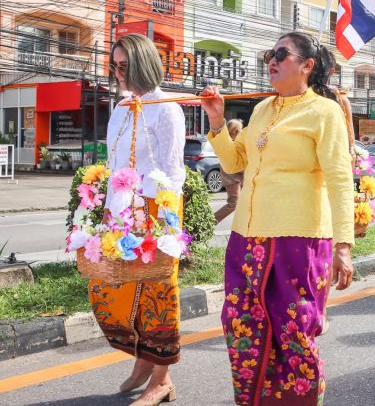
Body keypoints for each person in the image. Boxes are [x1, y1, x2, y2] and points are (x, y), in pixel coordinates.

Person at [200, 32, 355, 405]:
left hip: (298, 239)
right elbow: (236, 162)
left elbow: (339, 178)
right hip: (247, 238)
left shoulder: (324, 111)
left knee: (294, 332)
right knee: (243, 329)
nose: (272, 58)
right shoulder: (262, 109)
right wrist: (218, 121)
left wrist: (343, 245)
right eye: (271, 52)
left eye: (282, 54)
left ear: (307, 65)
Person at [89, 33, 186, 405]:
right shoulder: (120, 108)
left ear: (143, 65)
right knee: (109, 290)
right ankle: (144, 360)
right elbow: (115, 163)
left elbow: (172, 171)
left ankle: (161, 379)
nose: (116, 72)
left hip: (155, 211)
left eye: (123, 66)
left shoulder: (167, 107)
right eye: (113, 65)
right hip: (119, 213)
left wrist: (164, 226)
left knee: (157, 295)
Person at [214, 119, 244, 224]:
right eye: (241, 129)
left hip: (237, 178)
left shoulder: (230, 143)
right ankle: (210, 222)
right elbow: (236, 163)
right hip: (232, 179)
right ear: (235, 131)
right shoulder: (231, 144)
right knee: (234, 204)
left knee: (244, 204)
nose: (242, 131)